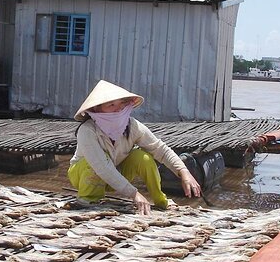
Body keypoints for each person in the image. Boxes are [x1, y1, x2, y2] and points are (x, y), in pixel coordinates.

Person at [68, 80, 202, 215]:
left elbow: (159, 149)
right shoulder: (87, 131)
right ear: (96, 109)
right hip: (83, 176)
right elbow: (102, 167)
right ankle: (88, 200)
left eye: (121, 103)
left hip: (115, 172)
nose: (118, 108)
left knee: (143, 157)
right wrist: (134, 194)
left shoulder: (132, 126)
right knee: (93, 165)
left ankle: (161, 200)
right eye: (111, 105)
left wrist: (184, 172)